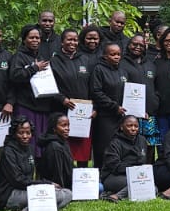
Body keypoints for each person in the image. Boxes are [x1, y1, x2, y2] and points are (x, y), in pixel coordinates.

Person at [0, 117, 72, 211]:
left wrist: (45, 185)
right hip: (10, 194)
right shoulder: (8, 152)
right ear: (14, 134)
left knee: (68, 193)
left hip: (27, 189)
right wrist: (45, 183)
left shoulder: (30, 149)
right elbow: (18, 180)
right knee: (55, 195)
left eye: (28, 133)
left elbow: (32, 177)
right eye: (21, 133)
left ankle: (39, 210)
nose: (25, 136)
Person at [50, 28, 96, 164]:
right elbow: (49, 87)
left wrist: (95, 108)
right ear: (62, 42)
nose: (73, 42)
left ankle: (82, 176)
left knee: (82, 153)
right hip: (62, 111)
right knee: (64, 154)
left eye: (75, 40)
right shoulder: (54, 61)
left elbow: (94, 87)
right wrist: (62, 99)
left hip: (83, 114)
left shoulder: (86, 60)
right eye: (69, 39)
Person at [9, 24, 60, 142]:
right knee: (27, 140)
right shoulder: (19, 56)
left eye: (37, 38)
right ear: (24, 40)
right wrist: (34, 68)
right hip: (26, 105)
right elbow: (15, 76)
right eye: (31, 38)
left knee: (41, 141)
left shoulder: (41, 57)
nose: (35, 40)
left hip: (43, 106)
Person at [91, 41, 130, 167]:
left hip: (121, 116)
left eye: (118, 54)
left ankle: (116, 173)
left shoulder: (123, 71)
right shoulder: (99, 69)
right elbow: (96, 92)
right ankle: (101, 173)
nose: (116, 57)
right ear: (105, 56)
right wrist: (114, 106)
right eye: (113, 54)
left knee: (120, 147)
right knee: (104, 148)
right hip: (105, 117)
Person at [99, 114, 153, 200]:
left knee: (151, 185)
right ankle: (117, 195)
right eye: (129, 126)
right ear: (121, 127)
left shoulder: (142, 140)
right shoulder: (114, 143)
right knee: (139, 183)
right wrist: (134, 169)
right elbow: (115, 167)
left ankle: (116, 195)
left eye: (136, 126)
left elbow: (143, 161)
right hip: (113, 176)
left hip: (135, 174)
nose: (133, 129)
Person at [120, 33, 157, 153]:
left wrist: (154, 103)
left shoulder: (151, 64)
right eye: (134, 44)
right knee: (129, 146)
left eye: (141, 45)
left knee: (149, 146)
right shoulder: (121, 63)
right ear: (128, 45)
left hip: (149, 115)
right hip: (128, 115)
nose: (137, 47)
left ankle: (148, 166)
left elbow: (157, 86)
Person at [37, 113, 77, 190]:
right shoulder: (55, 147)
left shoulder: (63, 142)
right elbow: (57, 177)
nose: (67, 128)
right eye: (63, 125)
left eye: (68, 125)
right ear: (54, 129)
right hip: (58, 188)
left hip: (70, 182)